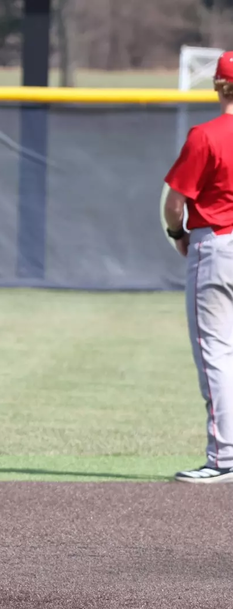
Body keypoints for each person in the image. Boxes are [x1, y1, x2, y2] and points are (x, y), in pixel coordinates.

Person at [164, 51, 233, 484]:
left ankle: (224, 458)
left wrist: (177, 234)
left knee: (215, 352)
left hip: (219, 246)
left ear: (217, 85)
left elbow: (175, 203)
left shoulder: (205, 136)